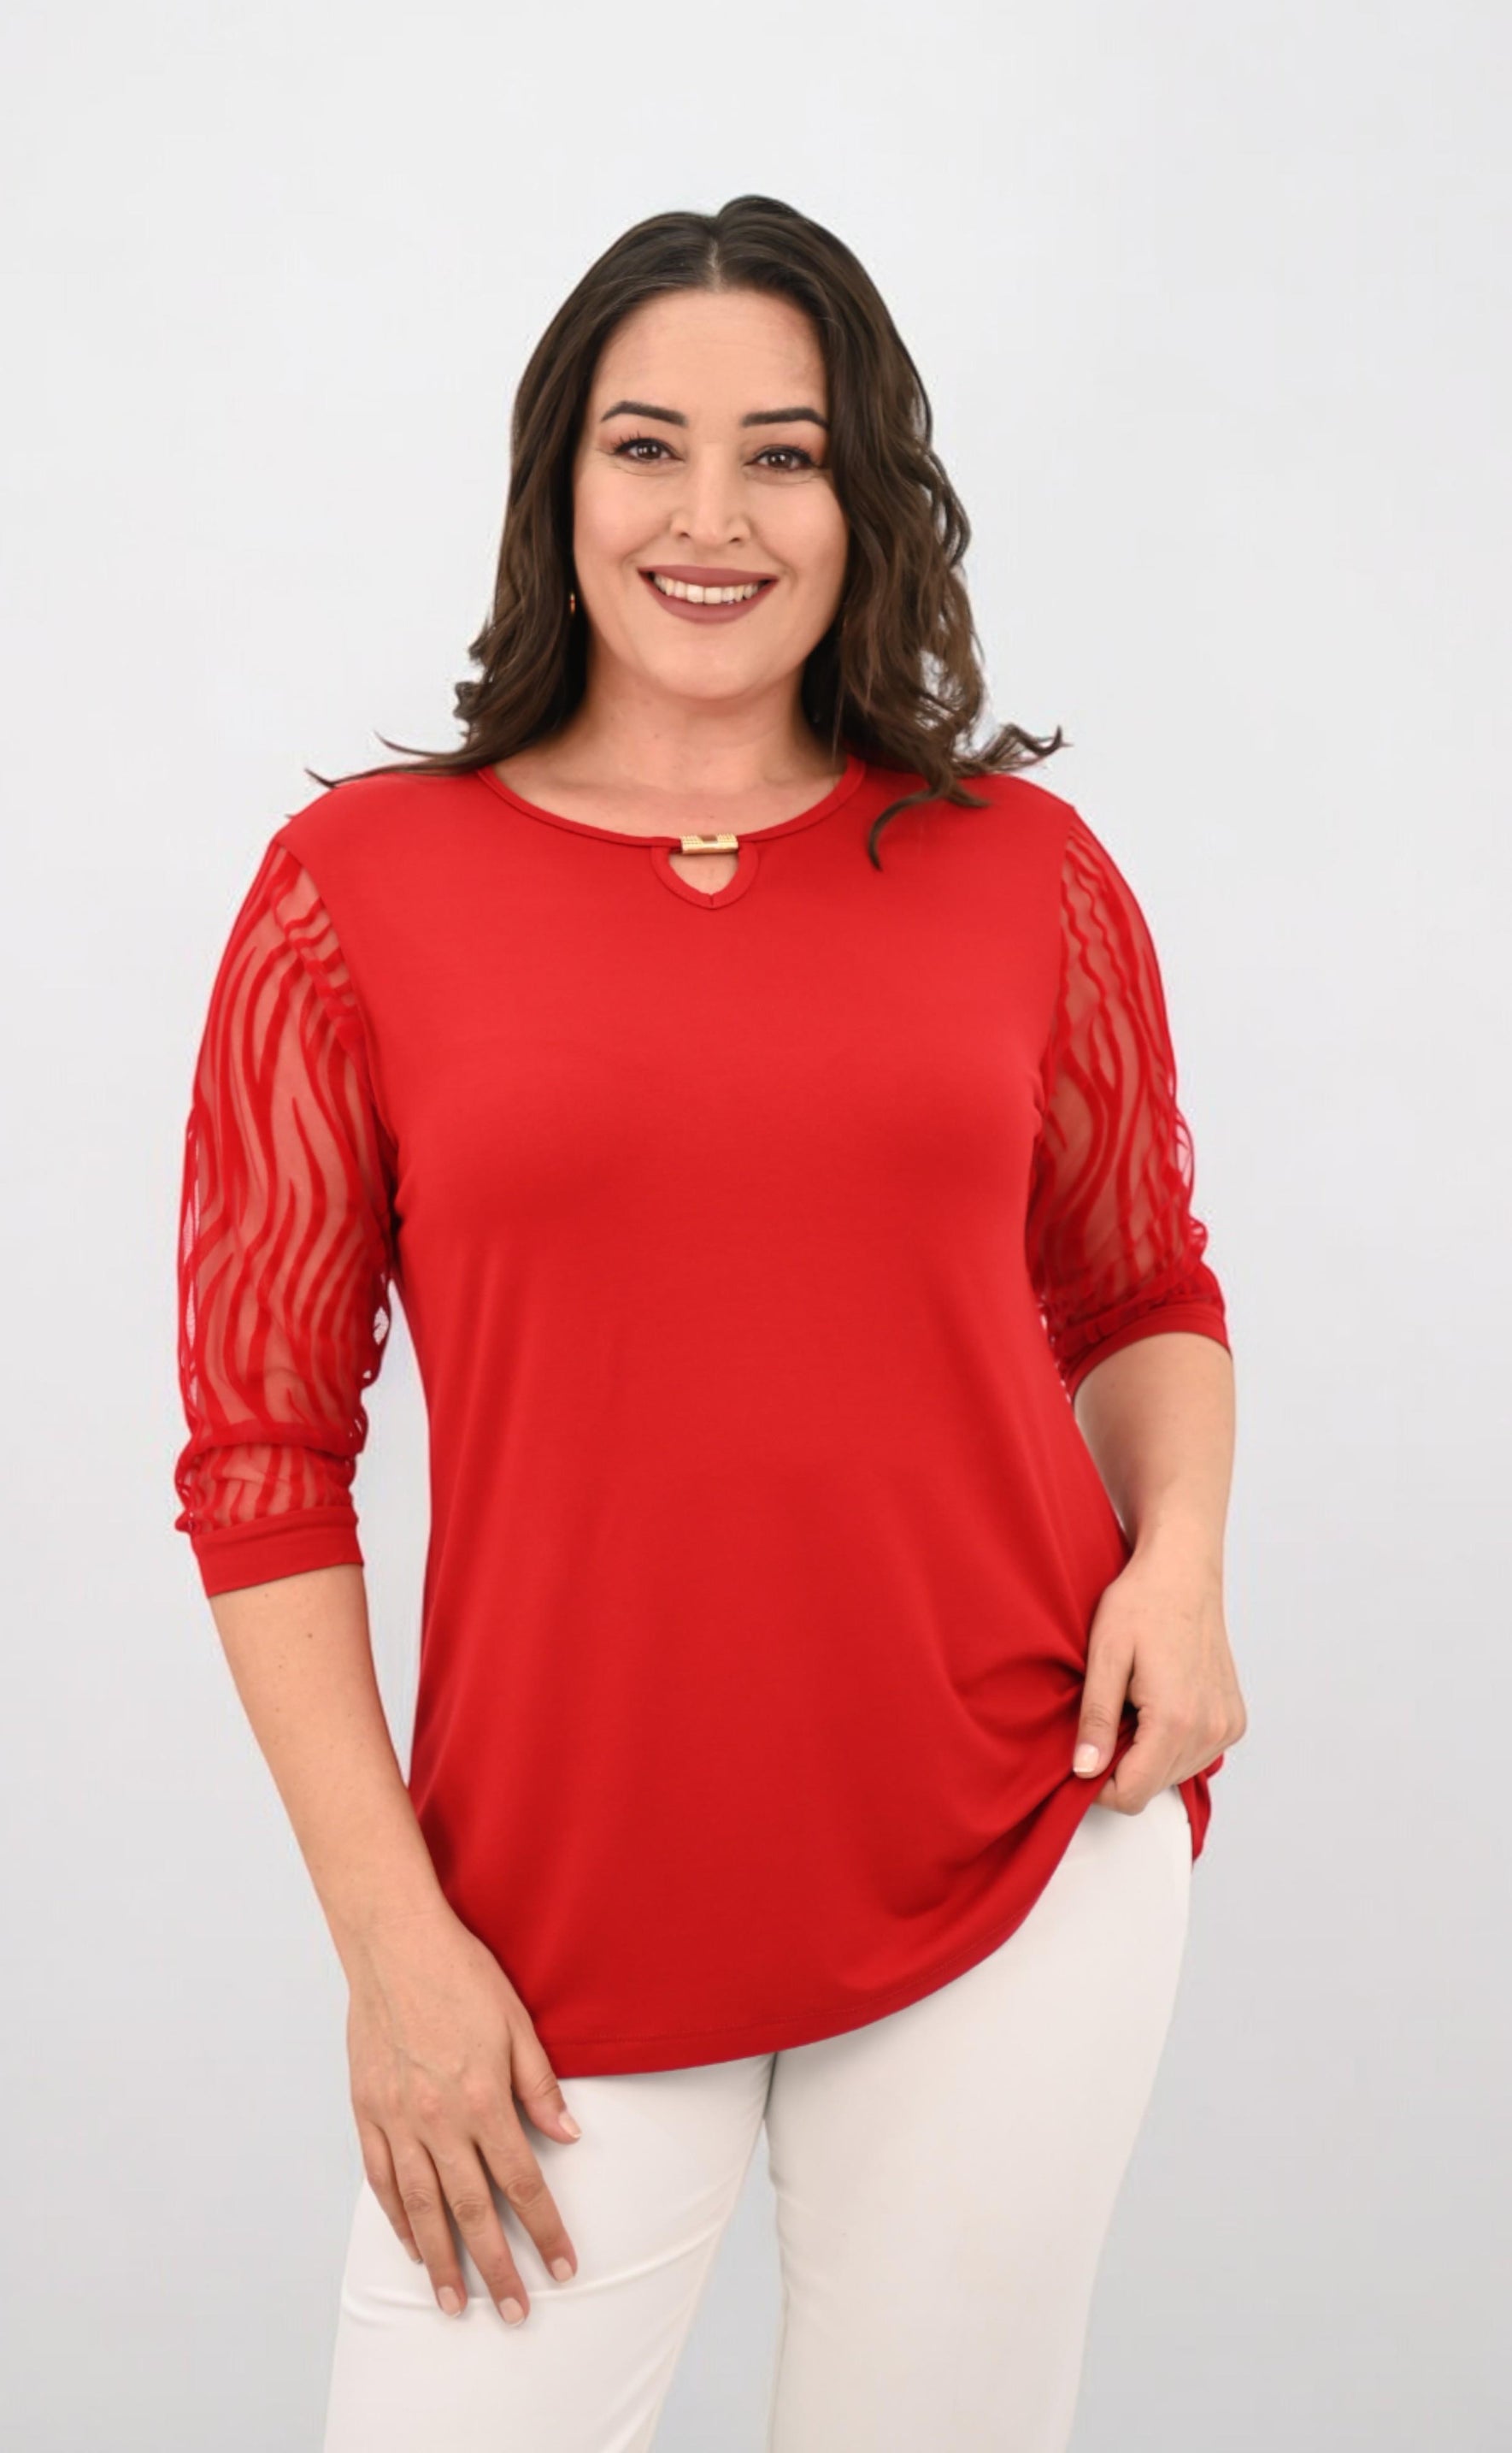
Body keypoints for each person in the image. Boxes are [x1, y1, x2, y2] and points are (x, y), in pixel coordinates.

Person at [171, 193, 1245, 2453]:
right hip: (542, 1917)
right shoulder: (353, 896)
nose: (712, 518)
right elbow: (261, 1457)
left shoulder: (1023, 872)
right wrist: (392, 1946)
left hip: (1017, 1835)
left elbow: (1139, 1287)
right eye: (648, 446)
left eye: (785, 454)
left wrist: (1179, 1564)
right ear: (558, 485)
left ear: (867, 503)